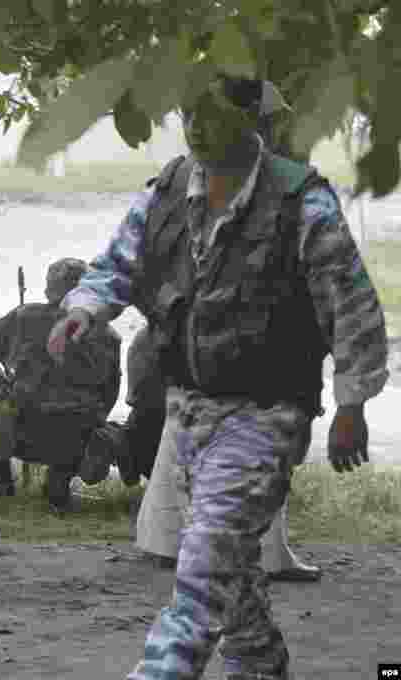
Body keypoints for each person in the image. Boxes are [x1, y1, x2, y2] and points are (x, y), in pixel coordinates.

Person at [47, 73, 387, 680]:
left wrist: (352, 404)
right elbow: (117, 264)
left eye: (214, 115)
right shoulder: (171, 189)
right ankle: (258, 663)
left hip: (269, 414)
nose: (198, 127)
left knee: (202, 566)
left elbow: (350, 304)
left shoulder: (298, 198)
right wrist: (82, 309)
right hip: (189, 411)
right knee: (224, 561)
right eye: (189, 114)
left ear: (252, 119)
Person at [126, 326, 323, 581]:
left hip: (199, 343)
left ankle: (167, 544)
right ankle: (268, 557)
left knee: (184, 438)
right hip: (247, 349)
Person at [0, 258, 121, 512]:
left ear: (49, 290)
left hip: (22, 434)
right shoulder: (110, 337)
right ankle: (60, 481)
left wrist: (9, 340)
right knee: (84, 410)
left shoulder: (26, 317)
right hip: (77, 441)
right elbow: (110, 395)